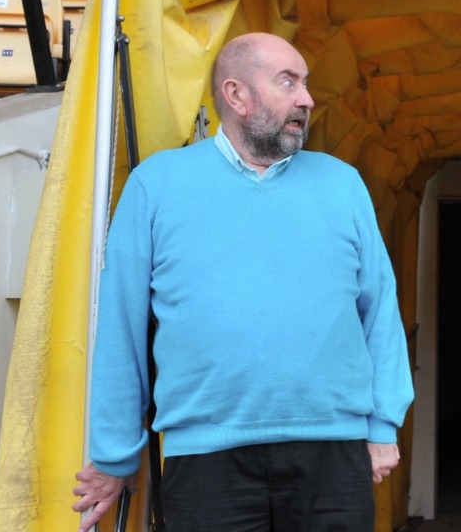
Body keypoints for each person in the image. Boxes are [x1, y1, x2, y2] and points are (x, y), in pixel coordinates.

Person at [73, 32, 414, 532]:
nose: (307, 98)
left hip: (333, 452)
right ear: (236, 95)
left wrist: (383, 425)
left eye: (305, 83)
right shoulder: (156, 184)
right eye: (288, 82)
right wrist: (114, 454)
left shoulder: (343, 183)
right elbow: (121, 327)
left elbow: (380, 313)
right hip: (206, 458)